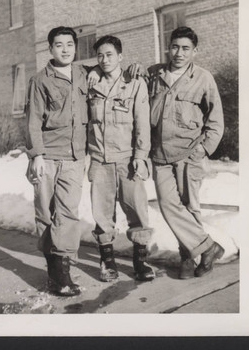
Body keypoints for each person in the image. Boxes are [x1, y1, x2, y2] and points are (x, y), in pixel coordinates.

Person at [147, 26, 225, 278]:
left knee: (189, 208)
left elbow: (216, 121)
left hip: (188, 153)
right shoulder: (153, 74)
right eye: (175, 47)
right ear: (168, 47)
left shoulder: (203, 78)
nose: (179, 53)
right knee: (169, 205)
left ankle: (187, 259)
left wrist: (202, 150)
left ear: (194, 51)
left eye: (185, 49)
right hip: (160, 154)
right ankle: (209, 247)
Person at [25, 26, 93, 296]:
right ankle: (53, 269)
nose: (65, 49)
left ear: (75, 47)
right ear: (50, 49)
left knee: (67, 214)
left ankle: (62, 274)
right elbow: (32, 122)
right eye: (59, 45)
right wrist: (36, 156)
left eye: (69, 44)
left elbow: (115, 75)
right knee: (45, 213)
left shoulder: (84, 75)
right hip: (48, 157)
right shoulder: (40, 80)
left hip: (75, 157)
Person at [87, 35, 155, 282]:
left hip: (128, 159)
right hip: (100, 160)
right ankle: (107, 262)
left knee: (137, 212)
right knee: (102, 215)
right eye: (100, 56)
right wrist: (92, 69)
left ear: (120, 57)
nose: (104, 60)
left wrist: (141, 155)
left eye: (109, 55)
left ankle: (141, 262)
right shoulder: (91, 83)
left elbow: (142, 124)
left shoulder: (135, 84)